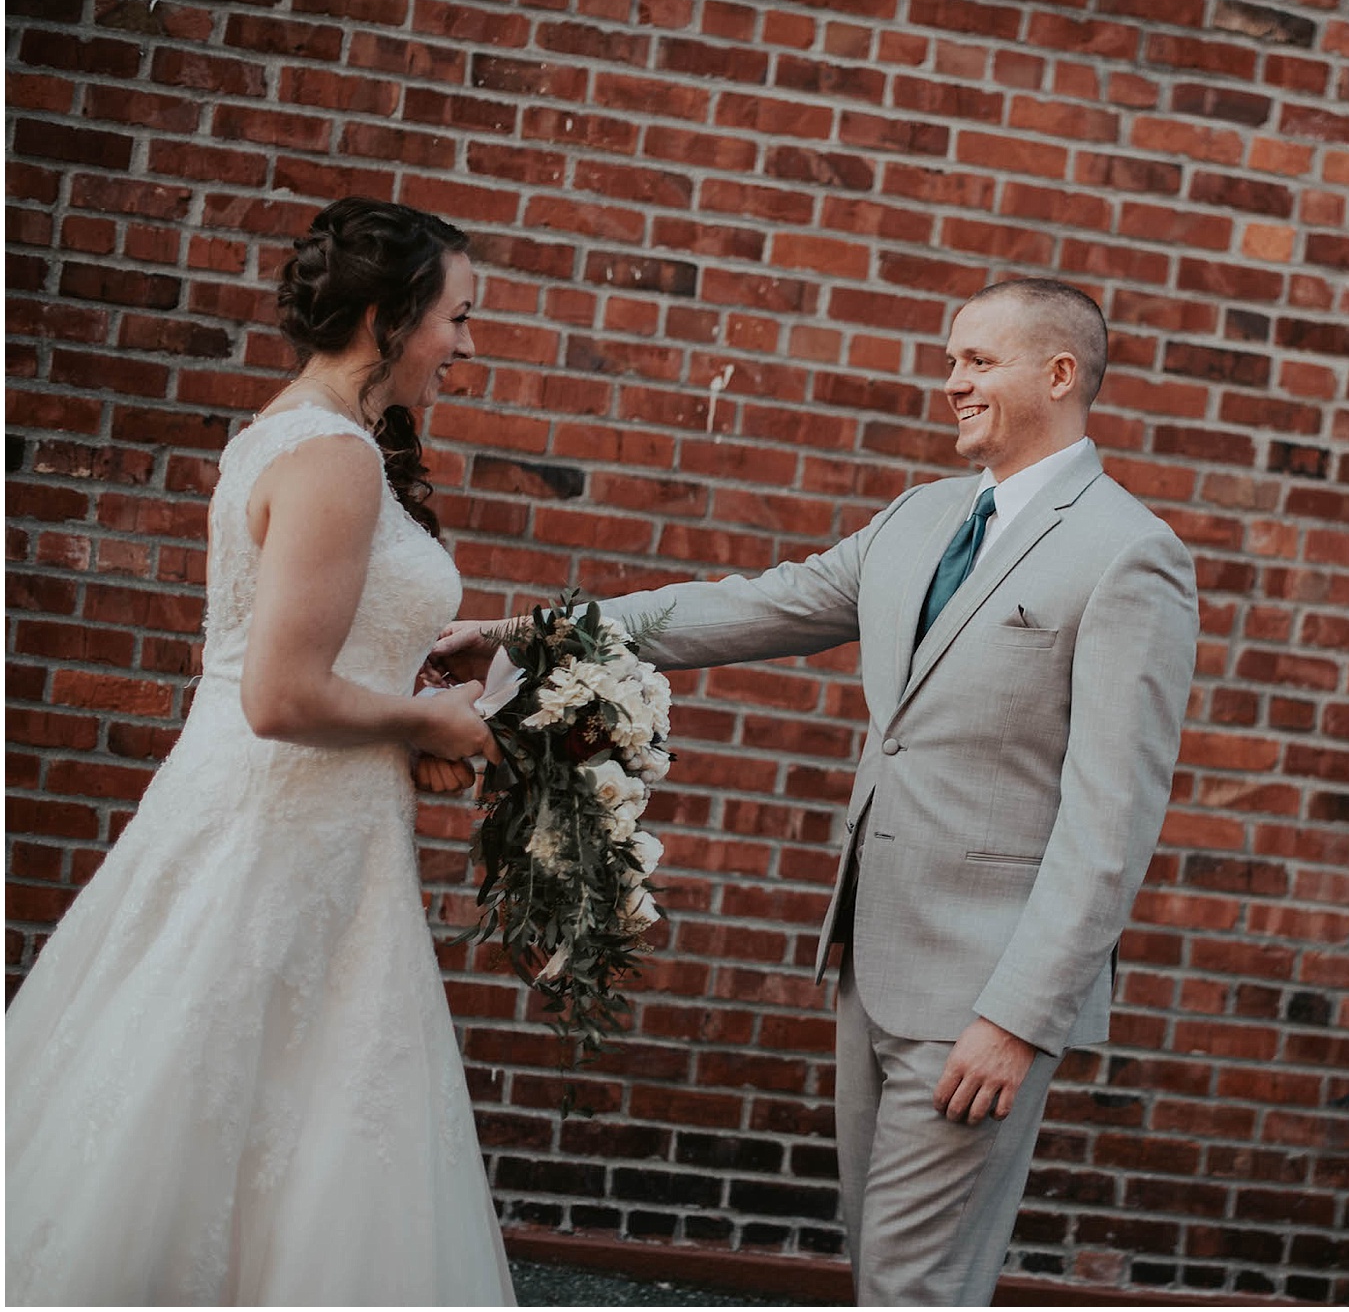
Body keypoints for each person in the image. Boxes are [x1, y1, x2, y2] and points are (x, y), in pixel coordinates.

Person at [435, 278, 1198, 1305]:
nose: (950, 383)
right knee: (878, 1263)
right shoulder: (920, 517)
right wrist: (538, 633)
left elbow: (1111, 818)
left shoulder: (1127, 553)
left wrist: (1019, 1017)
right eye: (949, 360)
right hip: (869, 957)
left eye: (977, 361)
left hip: (983, 989)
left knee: (911, 1283)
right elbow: (751, 606)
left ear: (1057, 374)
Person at [6, 197, 515, 1304]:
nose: (466, 348)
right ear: (388, 317)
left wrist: (413, 682)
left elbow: (317, 653)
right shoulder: (333, 456)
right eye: (458, 320)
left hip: (293, 817)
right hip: (282, 824)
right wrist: (427, 721)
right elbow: (280, 693)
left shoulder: (290, 434)